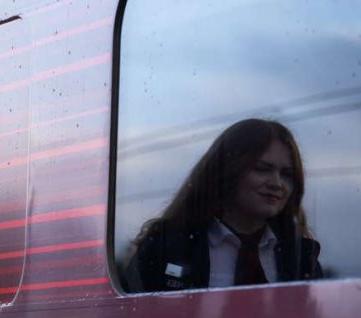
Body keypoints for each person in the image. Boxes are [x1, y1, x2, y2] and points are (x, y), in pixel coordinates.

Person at [123, 118, 322, 292]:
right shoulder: (166, 249)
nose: (277, 184)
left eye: (287, 174)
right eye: (262, 169)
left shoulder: (301, 260)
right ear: (228, 172)